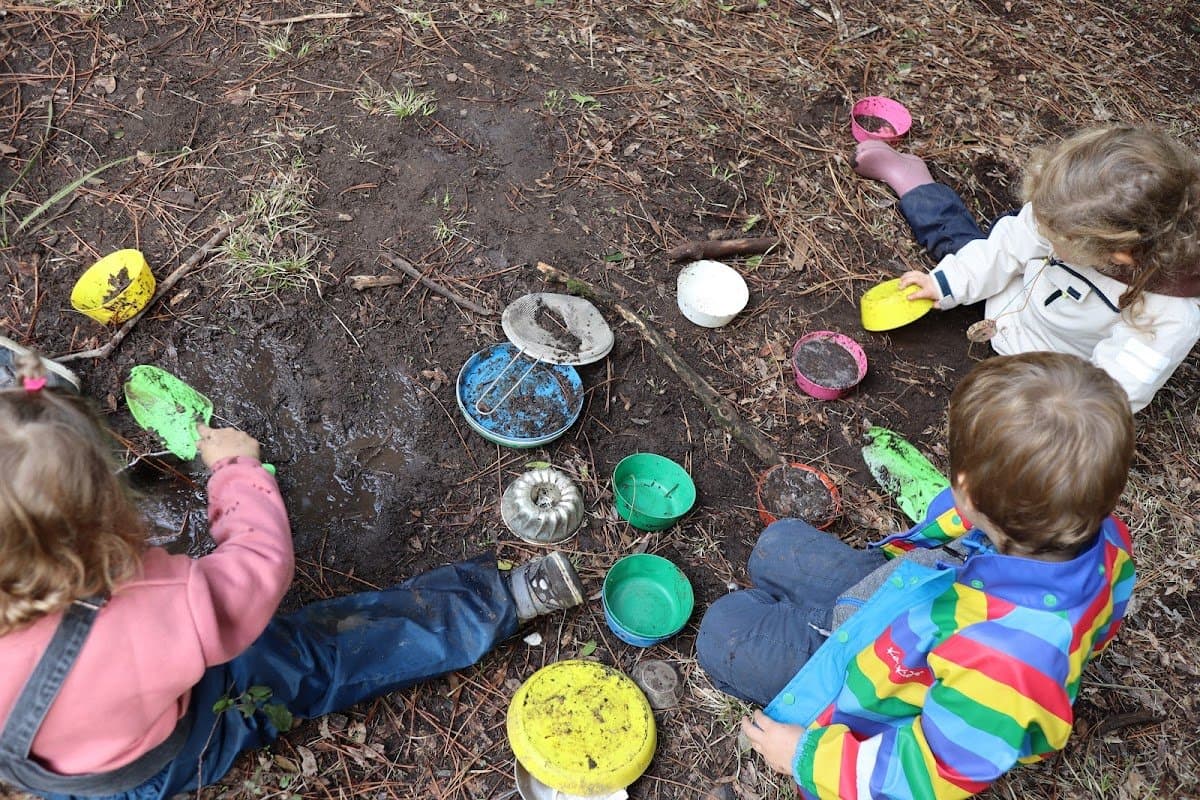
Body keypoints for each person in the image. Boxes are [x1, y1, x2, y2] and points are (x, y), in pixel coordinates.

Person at [0, 340, 585, 799]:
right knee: (312, 659)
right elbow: (257, 567)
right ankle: (493, 601)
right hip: (168, 744)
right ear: (99, 520)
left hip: (75, 778)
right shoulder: (154, 603)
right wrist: (234, 470)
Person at [696, 352, 1137, 799]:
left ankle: (812, 638)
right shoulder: (1098, 534)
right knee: (778, 542)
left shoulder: (1004, 667)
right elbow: (1099, 624)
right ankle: (816, 620)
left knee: (721, 631)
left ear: (968, 493)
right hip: (915, 595)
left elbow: (924, 777)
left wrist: (804, 757)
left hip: (886, 686)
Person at [853, 124, 1200, 412]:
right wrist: (946, 283)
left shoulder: (1168, 312)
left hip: (1045, 373)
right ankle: (913, 180)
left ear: (1121, 255)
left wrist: (1053, 413)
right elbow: (1005, 247)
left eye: (1055, 236)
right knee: (958, 243)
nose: (1042, 230)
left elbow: (1115, 388)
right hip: (1007, 298)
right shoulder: (1072, 206)